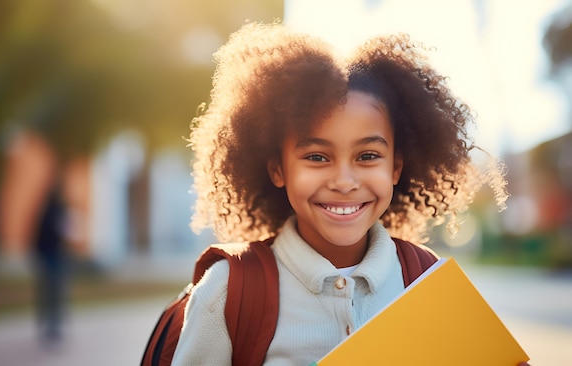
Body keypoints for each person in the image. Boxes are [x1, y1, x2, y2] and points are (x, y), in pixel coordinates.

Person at [173, 21, 510, 365]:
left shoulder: (428, 282)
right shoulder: (229, 291)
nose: (345, 181)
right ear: (278, 168)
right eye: (317, 157)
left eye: (367, 156)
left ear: (395, 167)